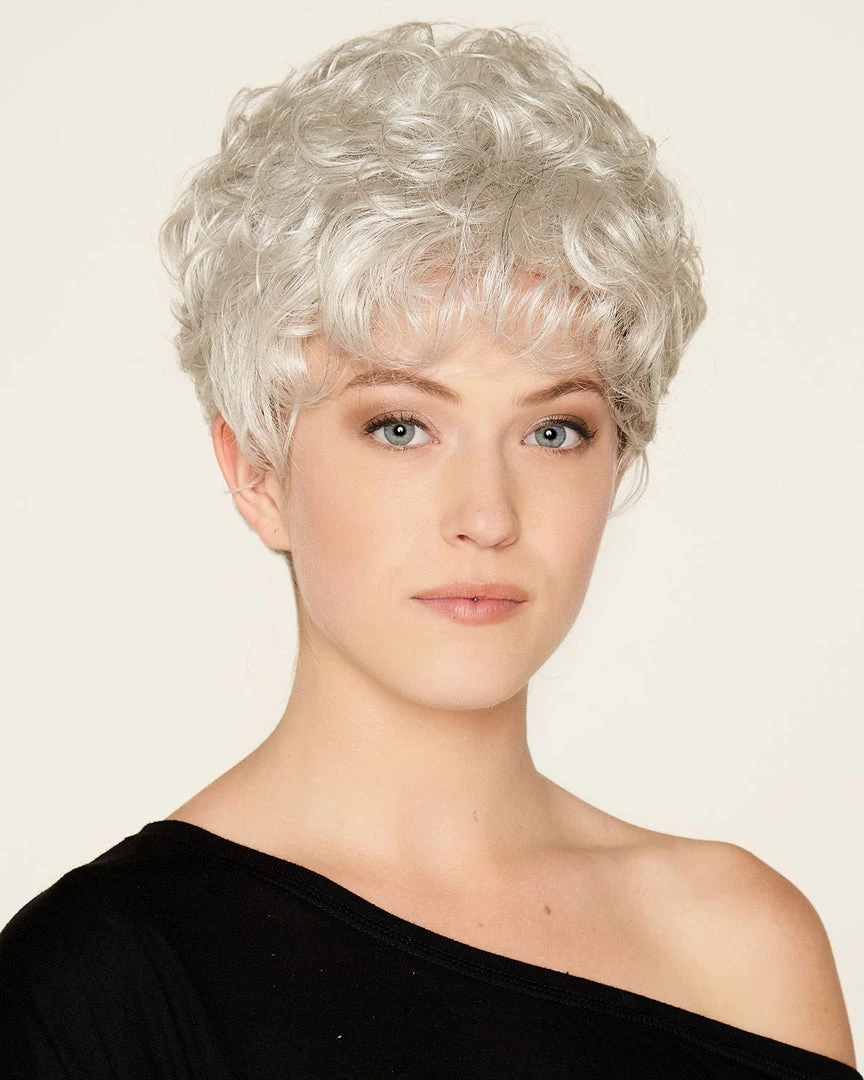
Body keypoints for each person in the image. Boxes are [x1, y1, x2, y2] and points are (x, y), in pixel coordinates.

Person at [0, 20, 858, 1079]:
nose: (488, 515)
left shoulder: (741, 946)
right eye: (402, 427)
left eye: (555, 432)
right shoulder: (97, 986)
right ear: (256, 469)